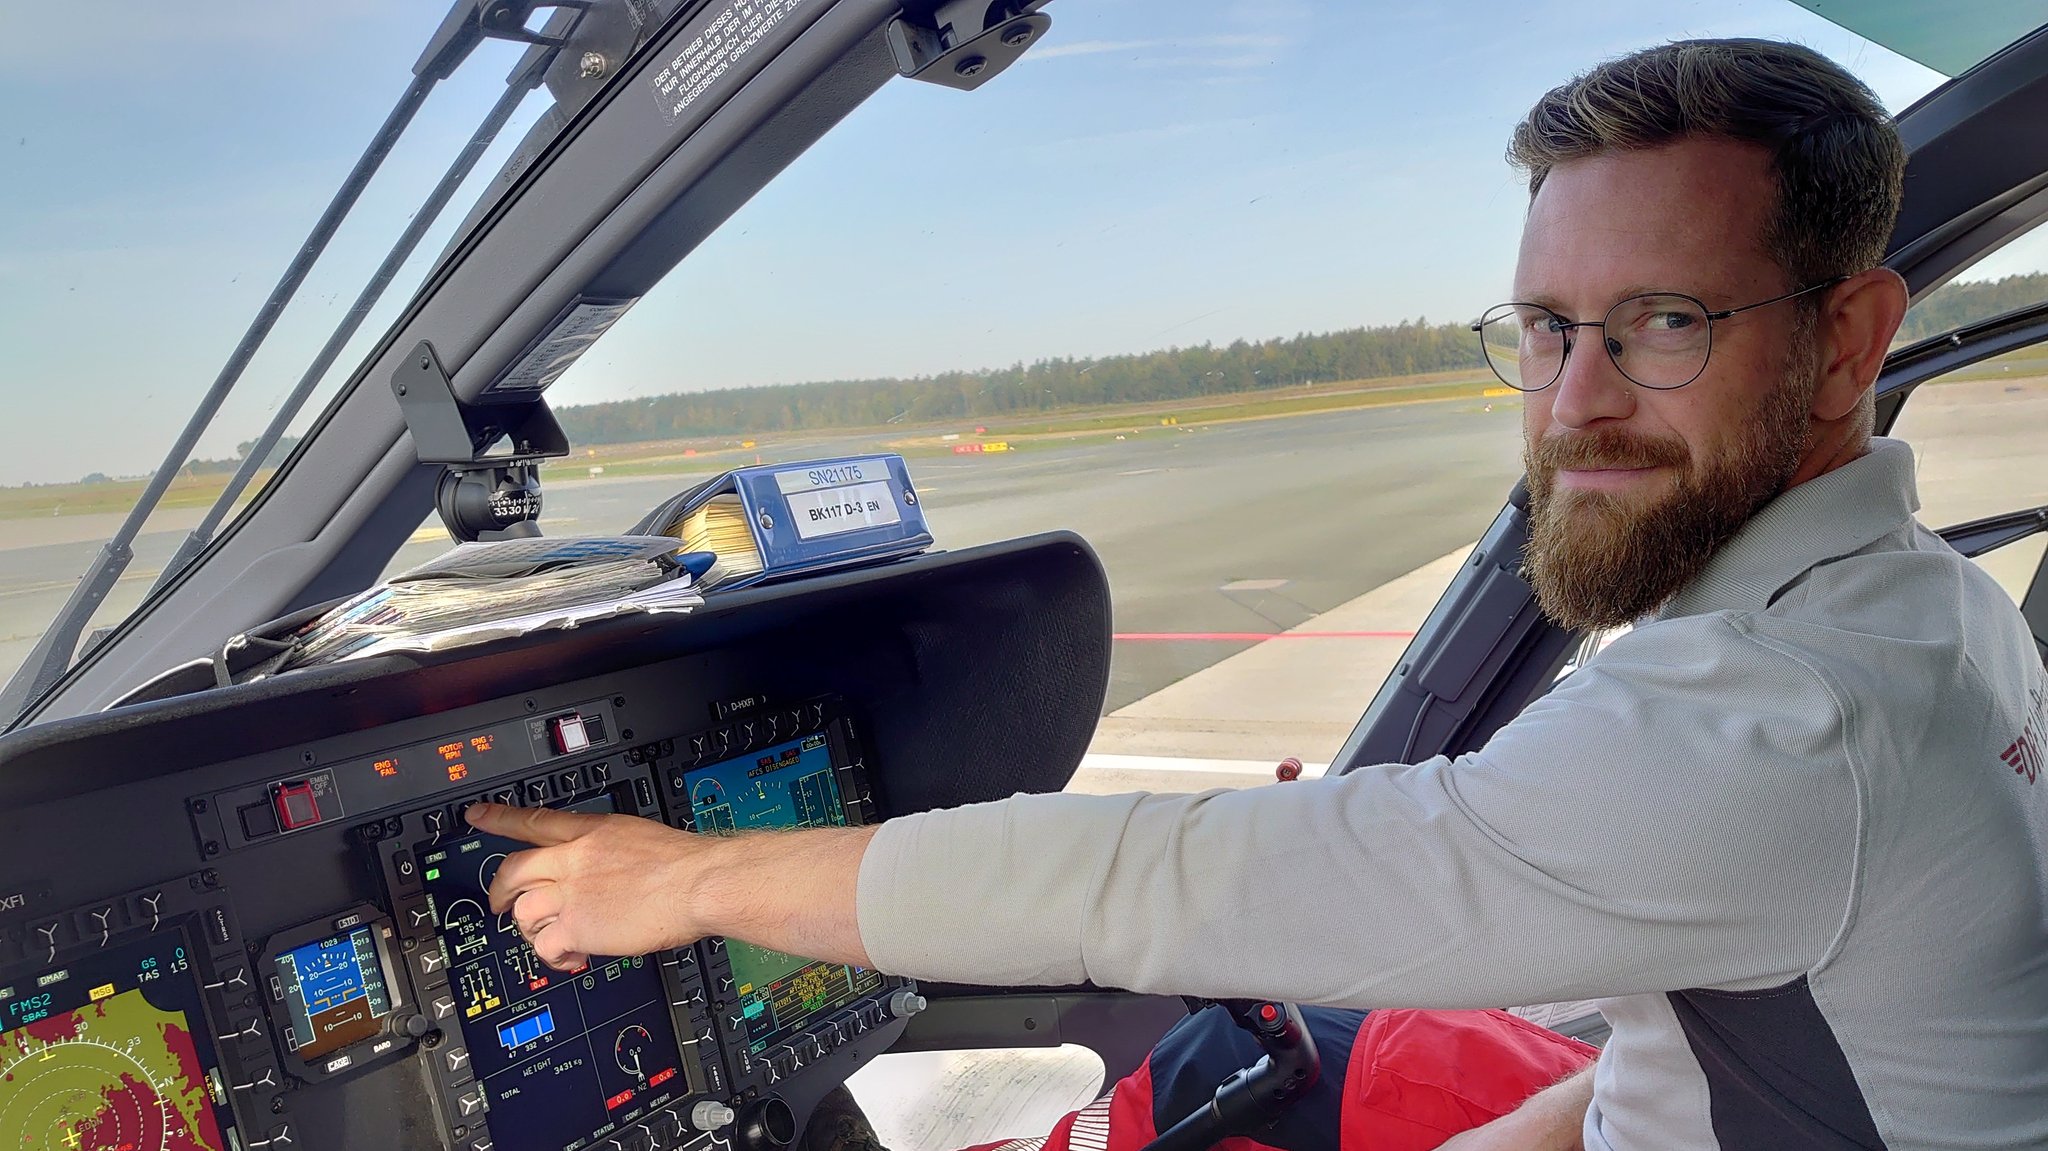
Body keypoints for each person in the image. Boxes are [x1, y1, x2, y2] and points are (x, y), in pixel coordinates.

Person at [467, 37, 2048, 1151]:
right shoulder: (1933, 606)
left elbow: (1168, 885)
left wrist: (683, 884)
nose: (1574, 403)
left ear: (1850, 341)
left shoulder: (1785, 720)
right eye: (1549, 327)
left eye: (1663, 322)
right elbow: (1718, 1034)